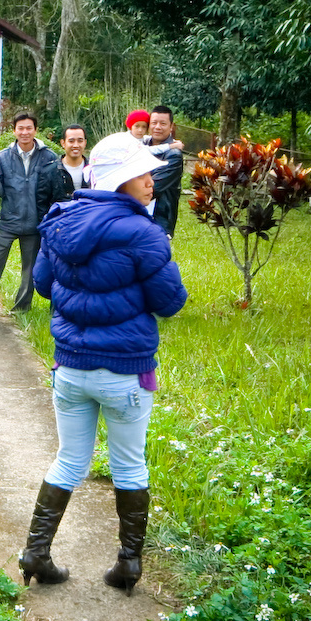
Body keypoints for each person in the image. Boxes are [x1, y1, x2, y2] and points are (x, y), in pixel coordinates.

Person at [17, 135, 187, 595]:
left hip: (70, 369)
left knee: (69, 460)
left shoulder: (60, 222)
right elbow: (170, 302)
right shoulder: (144, 233)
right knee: (130, 467)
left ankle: (36, 551)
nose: (153, 182)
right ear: (119, 180)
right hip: (125, 371)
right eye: (143, 174)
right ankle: (128, 564)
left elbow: (45, 286)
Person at [0, 112, 62, 325]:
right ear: (14, 131)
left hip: (35, 222)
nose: (25, 132)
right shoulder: (2, 157)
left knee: (30, 270)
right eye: (21, 128)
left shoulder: (49, 157)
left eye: (29, 128)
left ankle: (21, 307)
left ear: (35, 130)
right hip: (9, 221)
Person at [143, 105, 185, 237]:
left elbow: (154, 188)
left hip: (159, 219)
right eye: (154, 123)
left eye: (163, 123)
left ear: (171, 126)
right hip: (138, 215)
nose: (157, 127)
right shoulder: (141, 145)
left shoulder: (173, 155)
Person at [56, 123, 90, 200]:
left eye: (80, 141)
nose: (76, 145)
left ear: (85, 143)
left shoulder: (94, 169)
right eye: (71, 141)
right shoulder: (52, 171)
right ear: (63, 143)